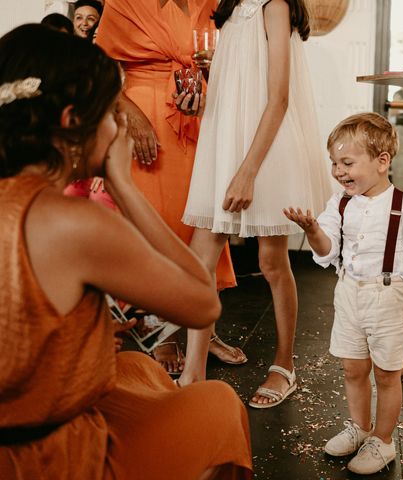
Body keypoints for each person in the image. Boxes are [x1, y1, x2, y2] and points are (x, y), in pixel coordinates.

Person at [0, 24, 252, 479]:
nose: (119, 125)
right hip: (42, 456)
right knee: (217, 405)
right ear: (72, 121)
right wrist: (123, 183)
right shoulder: (73, 221)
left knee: (138, 367)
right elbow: (202, 301)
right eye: (111, 112)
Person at [180, 0, 334, 406]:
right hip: (226, 140)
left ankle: (284, 367)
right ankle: (192, 372)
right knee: (200, 258)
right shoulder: (229, 10)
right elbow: (239, 78)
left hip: (264, 146)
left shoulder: (275, 5)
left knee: (271, 261)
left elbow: (279, 97)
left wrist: (248, 170)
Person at [283, 112, 403, 475]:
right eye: (334, 163)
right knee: (353, 369)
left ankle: (383, 440)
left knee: (387, 374)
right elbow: (326, 250)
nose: (339, 171)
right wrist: (312, 228)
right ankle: (359, 428)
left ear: (382, 161)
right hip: (348, 295)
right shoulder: (340, 203)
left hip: (389, 299)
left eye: (347, 162)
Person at [96, 0, 244, 375]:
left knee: (200, 226)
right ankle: (162, 335)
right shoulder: (123, 3)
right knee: (158, 222)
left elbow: (219, 62)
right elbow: (97, 71)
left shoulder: (210, 3)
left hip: (197, 120)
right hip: (143, 117)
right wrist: (129, 114)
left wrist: (206, 88)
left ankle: (201, 330)